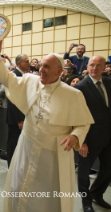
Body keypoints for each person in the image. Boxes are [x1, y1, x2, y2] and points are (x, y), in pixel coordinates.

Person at [0, 34, 94, 212]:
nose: (41, 69)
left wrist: (74, 136)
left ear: (59, 72)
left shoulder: (73, 94)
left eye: (47, 66)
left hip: (53, 154)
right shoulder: (31, 81)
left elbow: (83, 123)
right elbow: (7, 78)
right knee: (19, 187)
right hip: (27, 146)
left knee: (46, 198)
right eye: (41, 65)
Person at [74, 56, 111, 212]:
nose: (94, 68)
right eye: (92, 65)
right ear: (87, 67)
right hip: (89, 138)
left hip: (108, 136)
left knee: (108, 169)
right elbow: (76, 116)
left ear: (104, 67)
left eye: (98, 65)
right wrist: (81, 141)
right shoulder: (80, 87)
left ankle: (97, 193)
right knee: (83, 173)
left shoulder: (109, 83)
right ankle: (86, 201)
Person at [6, 54, 29, 168]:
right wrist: (19, 120)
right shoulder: (14, 75)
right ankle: (11, 167)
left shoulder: (24, 75)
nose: (29, 63)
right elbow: (12, 101)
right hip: (16, 118)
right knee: (13, 143)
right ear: (19, 63)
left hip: (23, 116)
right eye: (26, 61)